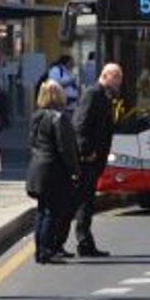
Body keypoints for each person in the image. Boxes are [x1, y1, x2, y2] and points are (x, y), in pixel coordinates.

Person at [60, 63, 123, 257]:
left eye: (120, 78)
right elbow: (80, 125)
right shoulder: (92, 93)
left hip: (95, 161)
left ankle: (85, 243)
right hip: (87, 160)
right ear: (105, 76)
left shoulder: (104, 96)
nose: (119, 83)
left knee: (86, 203)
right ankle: (55, 242)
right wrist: (86, 152)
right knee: (74, 202)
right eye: (117, 78)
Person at [26, 80, 81, 264]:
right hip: (53, 171)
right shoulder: (59, 117)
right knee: (52, 212)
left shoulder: (36, 116)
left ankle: (40, 250)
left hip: (38, 169)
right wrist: (75, 170)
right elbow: (66, 149)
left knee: (42, 211)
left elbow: (32, 143)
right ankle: (47, 251)